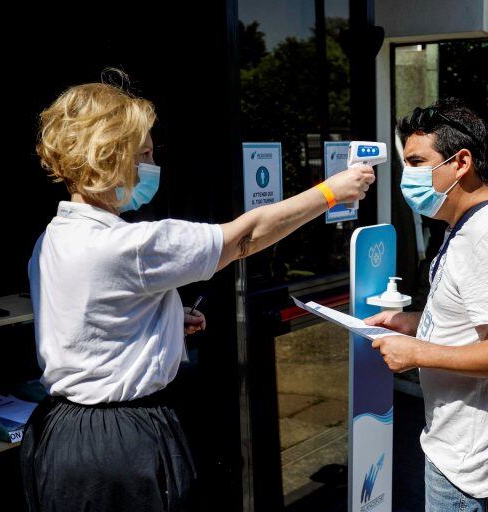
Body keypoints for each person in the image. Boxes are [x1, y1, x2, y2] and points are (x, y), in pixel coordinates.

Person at [21, 77, 375, 512]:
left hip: (62, 436)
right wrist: (328, 193)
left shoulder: (54, 237)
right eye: (144, 154)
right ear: (108, 157)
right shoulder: (128, 246)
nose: (153, 164)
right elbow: (247, 236)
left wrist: (164, 318)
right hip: (123, 444)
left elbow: (91, 320)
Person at [365, 97, 488, 512]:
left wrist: (418, 353)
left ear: (460, 162)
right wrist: (412, 322)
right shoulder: (470, 226)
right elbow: (476, 318)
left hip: (471, 471)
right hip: (463, 455)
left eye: (416, 161)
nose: (407, 175)